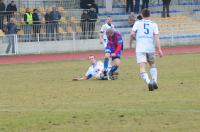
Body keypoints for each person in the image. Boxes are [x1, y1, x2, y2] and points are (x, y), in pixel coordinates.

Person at [129, 9, 163, 91]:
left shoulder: (137, 23)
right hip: (150, 48)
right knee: (152, 64)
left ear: (142, 14)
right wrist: (159, 49)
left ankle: (148, 82)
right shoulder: (154, 24)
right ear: (150, 15)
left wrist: (131, 43)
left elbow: (132, 34)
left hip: (140, 48)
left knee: (142, 67)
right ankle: (154, 81)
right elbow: (156, 37)